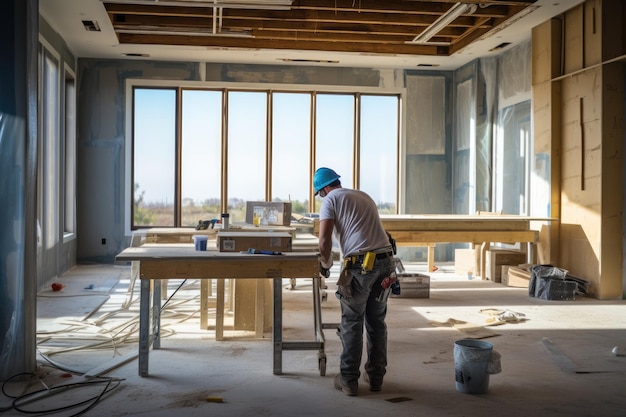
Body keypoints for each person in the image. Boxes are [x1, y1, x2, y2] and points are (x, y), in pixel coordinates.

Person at [314, 167, 395, 396]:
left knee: (352, 321)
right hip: (386, 264)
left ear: (324, 189)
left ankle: (349, 380)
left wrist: (326, 264)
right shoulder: (363, 195)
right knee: (376, 321)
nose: (322, 196)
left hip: (360, 266)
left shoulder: (330, 200)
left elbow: (324, 241)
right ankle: (376, 377)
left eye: (320, 193)